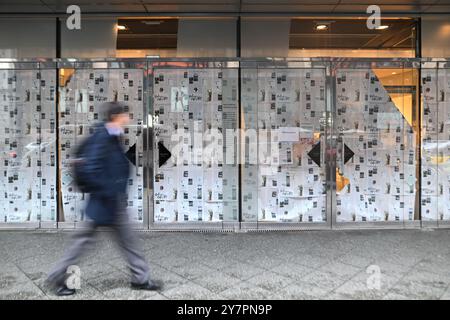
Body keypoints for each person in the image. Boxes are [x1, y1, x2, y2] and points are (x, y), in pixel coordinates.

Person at [46, 102, 162, 296]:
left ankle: (140, 278)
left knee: (129, 240)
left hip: (112, 201)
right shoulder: (103, 136)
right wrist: (108, 191)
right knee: (82, 242)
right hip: (105, 201)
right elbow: (92, 168)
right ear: (116, 116)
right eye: (126, 115)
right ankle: (57, 277)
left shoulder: (112, 134)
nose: (128, 118)